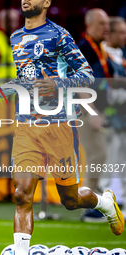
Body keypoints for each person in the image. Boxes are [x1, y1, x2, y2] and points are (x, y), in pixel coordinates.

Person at [0, 1, 125, 255]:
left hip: (59, 125)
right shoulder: (16, 37)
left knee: (70, 200)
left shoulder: (60, 35)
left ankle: (105, 203)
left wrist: (58, 84)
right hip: (26, 125)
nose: (25, 0)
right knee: (21, 194)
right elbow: (24, 78)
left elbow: (86, 75)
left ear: (46, 3)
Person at [76, 9, 111, 222]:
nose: (105, 27)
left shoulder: (98, 47)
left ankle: (93, 202)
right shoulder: (84, 49)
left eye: (107, 23)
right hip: (84, 110)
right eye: (101, 23)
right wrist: (92, 112)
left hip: (93, 110)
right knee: (97, 154)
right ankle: (89, 206)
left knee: (98, 155)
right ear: (89, 25)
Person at [99, 17, 126, 217]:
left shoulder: (120, 55)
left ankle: (121, 204)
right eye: (122, 32)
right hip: (107, 116)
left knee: (122, 161)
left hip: (122, 116)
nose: (125, 36)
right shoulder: (99, 54)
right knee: (106, 162)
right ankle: (101, 206)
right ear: (111, 33)